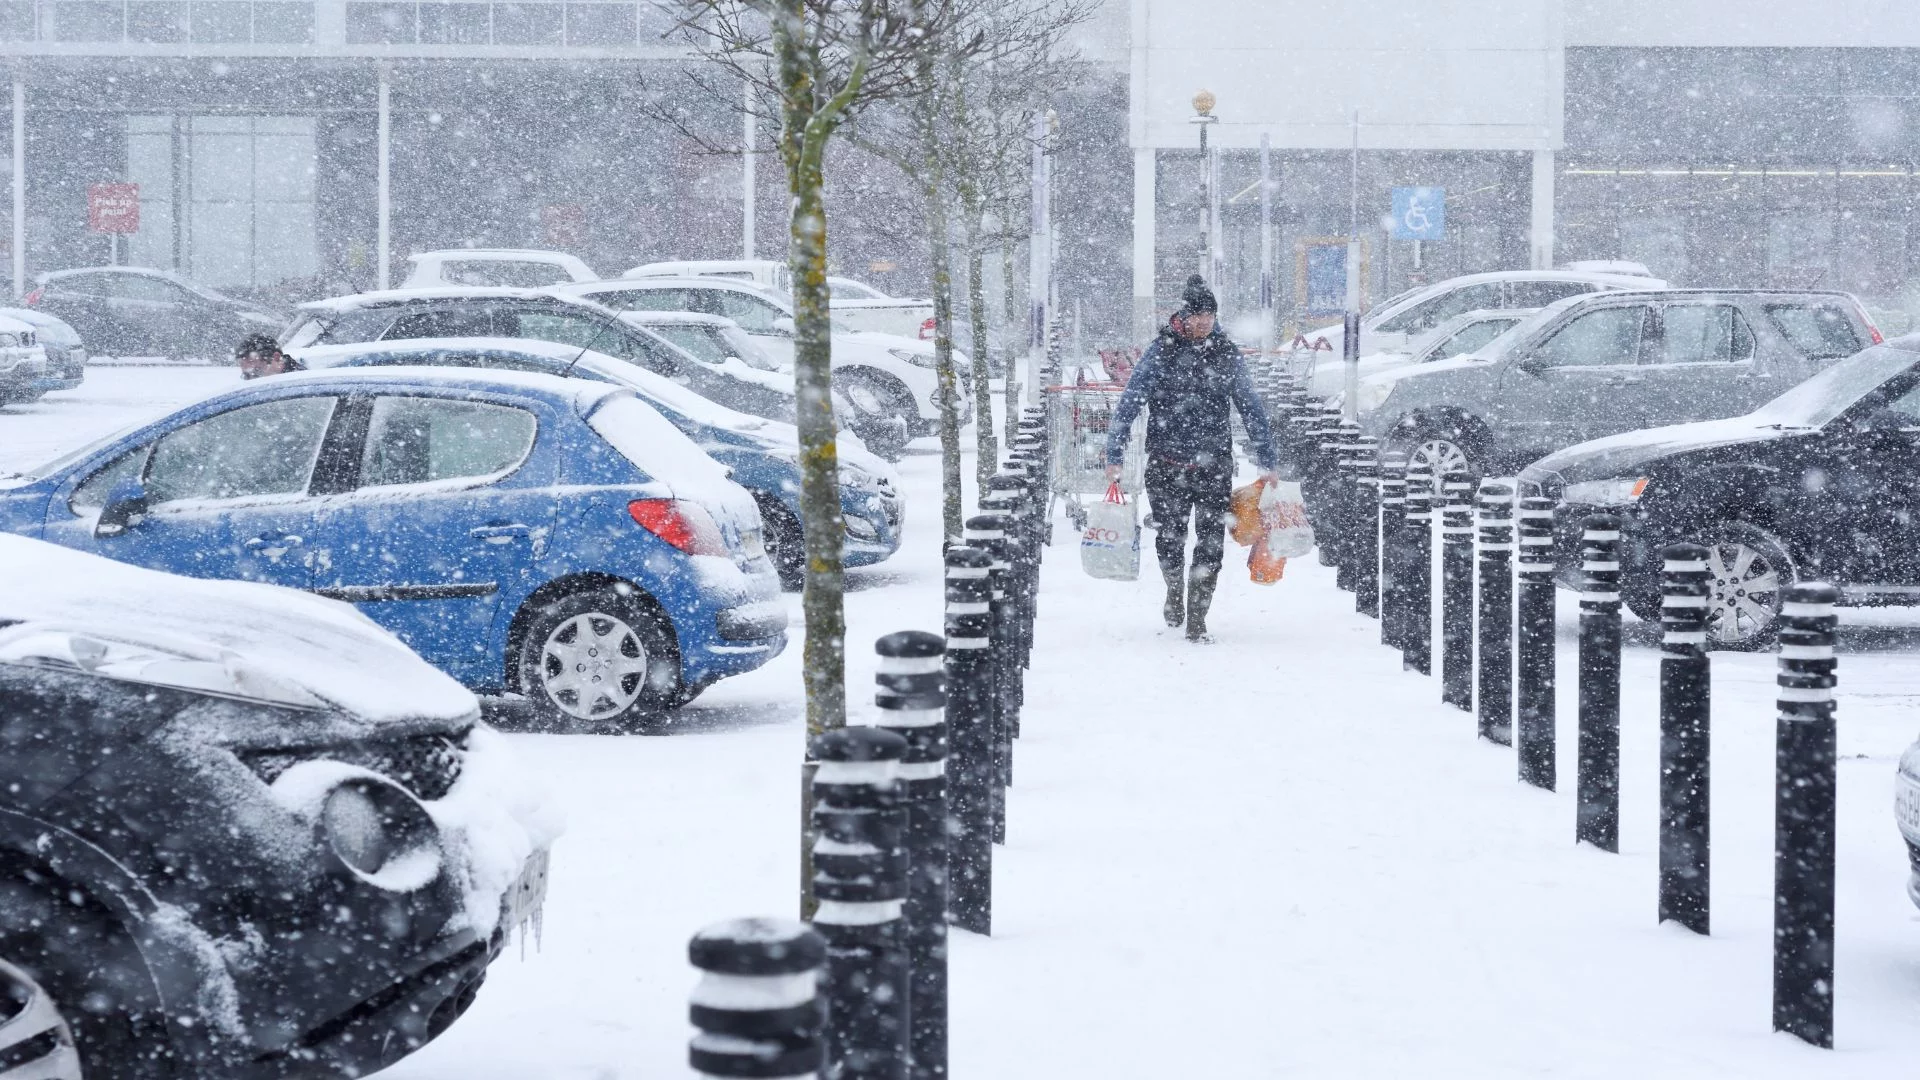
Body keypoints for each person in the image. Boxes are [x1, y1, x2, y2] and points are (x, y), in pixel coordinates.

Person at [1104, 275, 1279, 642]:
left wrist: (1267, 458)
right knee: (1170, 537)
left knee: (1211, 540)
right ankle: (1173, 590)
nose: (1203, 323)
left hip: (1213, 464)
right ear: (1183, 315)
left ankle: (1197, 617)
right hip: (1167, 464)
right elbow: (1130, 403)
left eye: (1209, 316)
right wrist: (1114, 453)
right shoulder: (1161, 352)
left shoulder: (1225, 354)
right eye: (1198, 315)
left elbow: (1251, 407)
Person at [236, 333, 303, 379]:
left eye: (257, 373)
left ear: (277, 359)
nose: (252, 381)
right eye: (246, 376)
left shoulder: (302, 382)